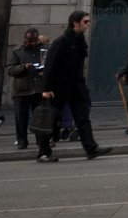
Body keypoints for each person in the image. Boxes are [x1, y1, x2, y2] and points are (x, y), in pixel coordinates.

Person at [36, 10, 104, 164]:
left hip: (75, 88)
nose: (88, 24)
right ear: (75, 23)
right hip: (58, 89)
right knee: (51, 120)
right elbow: (50, 66)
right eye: (85, 21)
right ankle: (43, 153)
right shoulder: (62, 41)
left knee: (82, 117)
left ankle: (91, 149)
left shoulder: (80, 40)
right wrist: (46, 89)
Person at [6, 28, 46, 149]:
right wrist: (24, 67)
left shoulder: (43, 50)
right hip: (21, 90)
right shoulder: (17, 51)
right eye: (30, 40)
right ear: (25, 39)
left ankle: (41, 141)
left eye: (34, 40)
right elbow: (10, 69)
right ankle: (22, 141)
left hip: (38, 89)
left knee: (39, 117)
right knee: (20, 118)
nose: (32, 43)